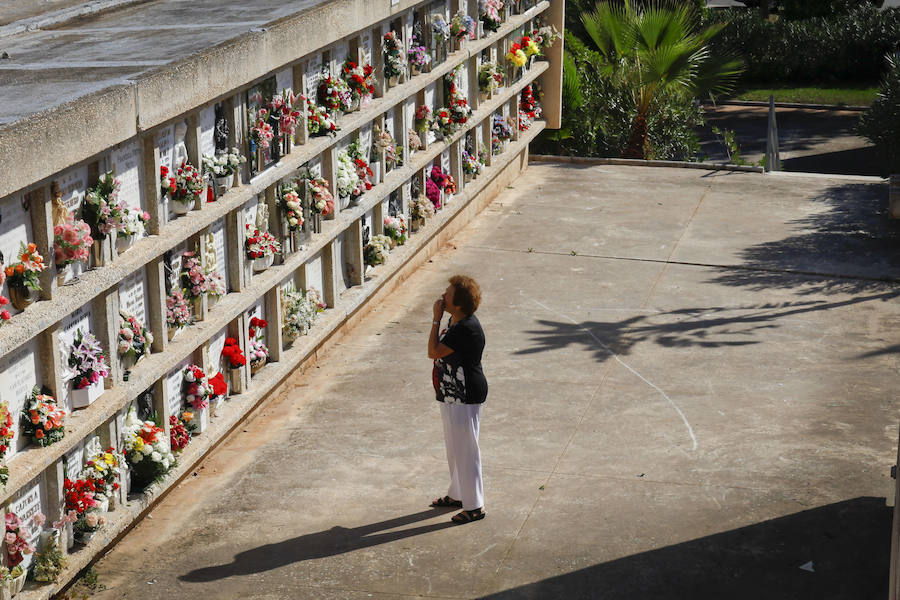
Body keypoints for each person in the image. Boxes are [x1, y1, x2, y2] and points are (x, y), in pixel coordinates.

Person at [427, 275, 488, 524]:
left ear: (459, 303)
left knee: (467, 450)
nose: (442, 296)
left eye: (448, 294)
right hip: (452, 393)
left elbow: (433, 351)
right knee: (455, 448)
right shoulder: (457, 320)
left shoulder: (465, 329)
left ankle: (475, 506)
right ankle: (458, 494)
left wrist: (435, 319)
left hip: (466, 395)